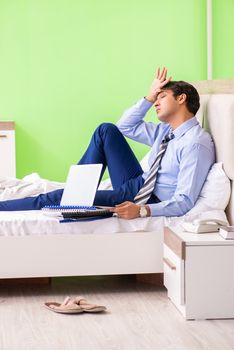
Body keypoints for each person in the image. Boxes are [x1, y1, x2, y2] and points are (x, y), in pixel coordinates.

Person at [0, 67, 215, 219]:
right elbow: (125, 126)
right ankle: (77, 192)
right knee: (106, 130)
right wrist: (148, 98)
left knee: (55, 197)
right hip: (138, 182)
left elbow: (184, 201)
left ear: (181, 98)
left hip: (149, 197)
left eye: (162, 96)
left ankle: (66, 198)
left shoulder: (195, 143)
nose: (156, 102)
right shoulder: (166, 131)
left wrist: (142, 211)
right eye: (156, 98)